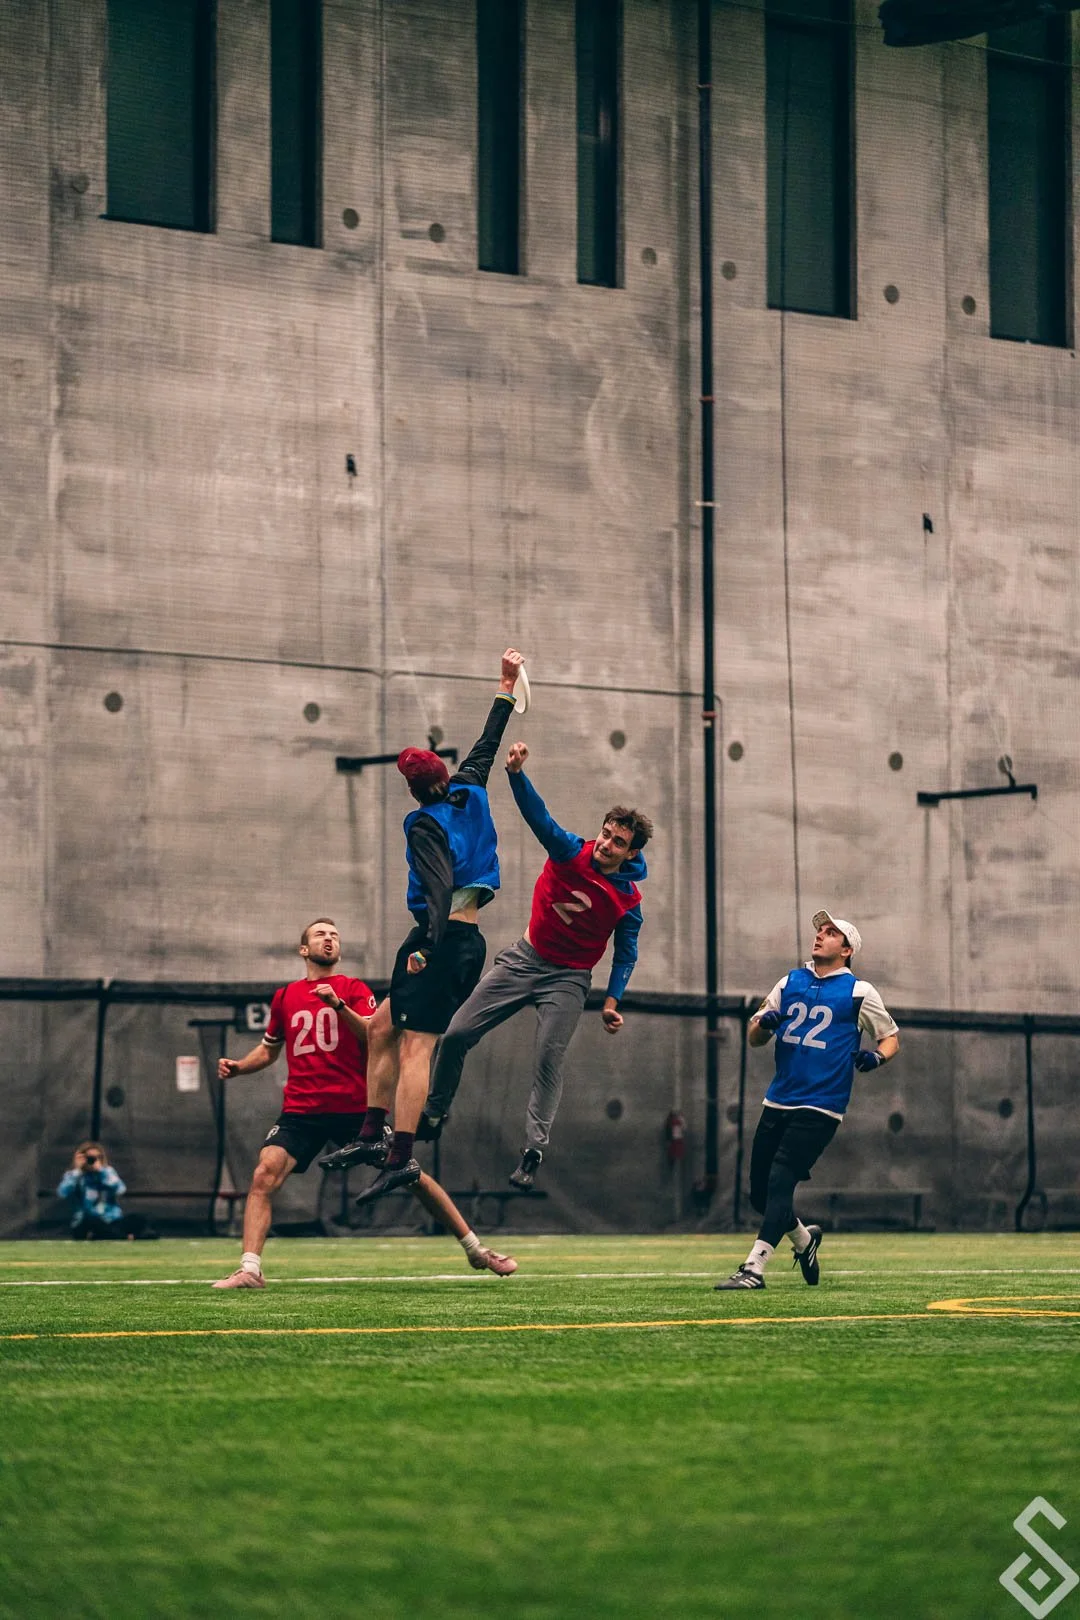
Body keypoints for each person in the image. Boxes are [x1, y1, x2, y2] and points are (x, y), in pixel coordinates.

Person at [319, 650, 525, 1203]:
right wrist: (505, 686)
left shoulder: (424, 826)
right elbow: (487, 742)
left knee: (417, 1048)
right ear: (443, 775)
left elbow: (437, 886)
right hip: (447, 936)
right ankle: (371, 1133)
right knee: (381, 1028)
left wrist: (426, 947)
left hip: (445, 939)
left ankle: (402, 1156)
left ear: (413, 790)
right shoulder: (470, 787)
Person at [213, 918, 516, 1287]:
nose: (329, 939)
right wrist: (239, 1066)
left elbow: (374, 1037)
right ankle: (250, 1269)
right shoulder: (285, 997)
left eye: (334, 935)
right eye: (320, 935)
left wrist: (338, 1005)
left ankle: (476, 1250)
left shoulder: (353, 989)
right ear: (304, 949)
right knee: (264, 1173)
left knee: (411, 1174)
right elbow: (268, 1050)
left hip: (355, 1112)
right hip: (301, 1111)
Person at [417, 738, 652, 1190]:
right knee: (457, 1033)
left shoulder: (628, 901)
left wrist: (612, 1001)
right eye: (606, 834)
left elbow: (626, 953)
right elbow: (538, 817)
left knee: (548, 1056)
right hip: (524, 960)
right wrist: (516, 774)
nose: (606, 844)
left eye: (618, 842)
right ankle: (434, 1111)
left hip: (568, 978)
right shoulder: (569, 852)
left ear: (631, 853)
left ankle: (533, 1150)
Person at [715, 910, 899, 1291]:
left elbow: (890, 1038)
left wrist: (876, 1058)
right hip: (778, 1099)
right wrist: (763, 1025)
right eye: (820, 931)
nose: (820, 935)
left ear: (846, 950)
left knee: (781, 1179)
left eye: (831, 933)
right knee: (760, 1195)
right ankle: (804, 1239)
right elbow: (754, 1037)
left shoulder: (859, 992)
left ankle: (754, 1268)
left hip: (821, 1105)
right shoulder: (790, 981)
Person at [56, 1142, 155, 1240]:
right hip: (87, 1221)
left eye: (97, 1157)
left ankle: (108, 1236)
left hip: (110, 1220)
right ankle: (125, 1237)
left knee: (139, 1218)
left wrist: (101, 1171)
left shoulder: (107, 1172)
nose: (93, 1161)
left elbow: (120, 1190)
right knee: (92, 1221)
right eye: (90, 1158)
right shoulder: (74, 1175)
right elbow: (62, 1193)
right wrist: (78, 1170)